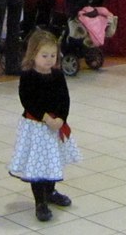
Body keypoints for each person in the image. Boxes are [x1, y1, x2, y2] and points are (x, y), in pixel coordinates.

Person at [8, 29, 82, 223]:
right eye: (44, 55)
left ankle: (51, 191)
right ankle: (40, 201)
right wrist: (45, 118)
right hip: (37, 126)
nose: (49, 60)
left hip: (55, 126)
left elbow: (64, 98)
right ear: (33, 54)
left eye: (53, 55)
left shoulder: (57, 75)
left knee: (52, 161)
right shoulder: (28, 76)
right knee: (38, 165)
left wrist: (61, 118)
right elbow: (27, 100)